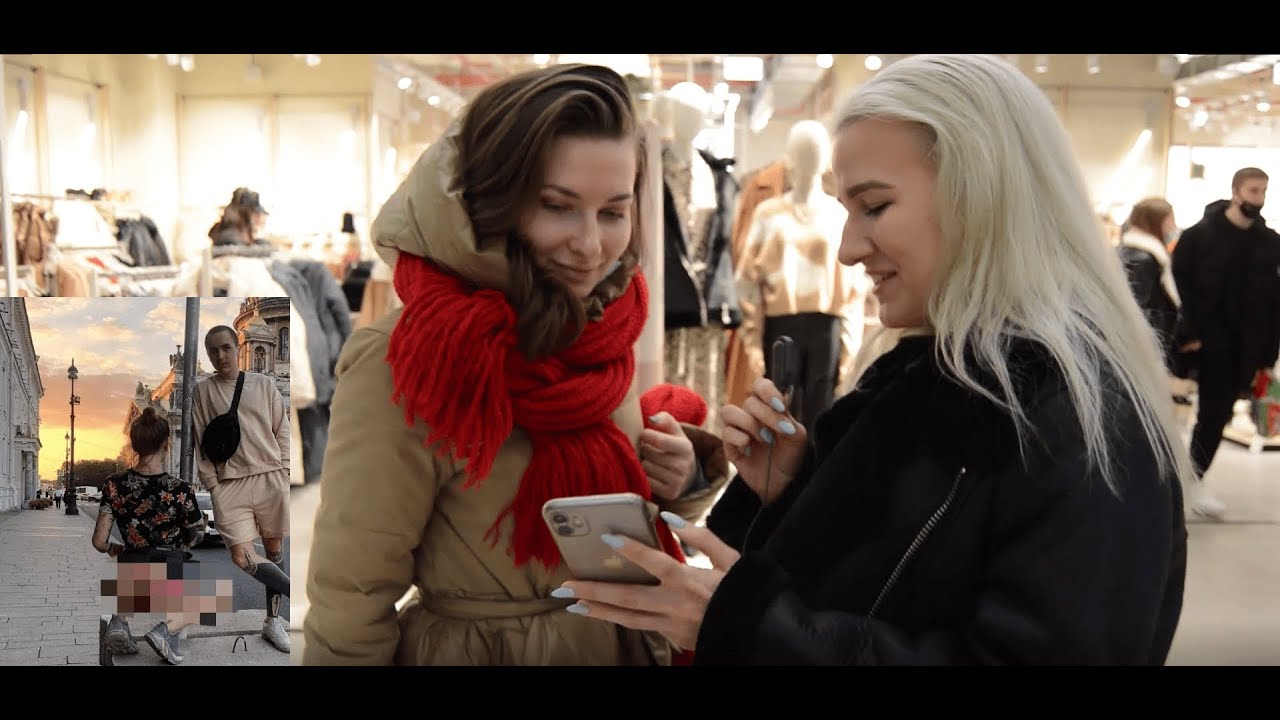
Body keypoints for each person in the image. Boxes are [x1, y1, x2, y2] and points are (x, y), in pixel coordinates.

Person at [557, 54, 1190, 665]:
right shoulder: (933, 380)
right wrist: (798, 491)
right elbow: (894, 586)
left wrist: (751, 627)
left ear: (983, 195)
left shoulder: (1080, 419)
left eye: (875, 207)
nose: (848, 249)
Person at [302, 64, 730, 666]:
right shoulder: (411, 356)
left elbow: (609, 523)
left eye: (613, 212)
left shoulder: (600, 328)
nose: (591, 245)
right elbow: (352, 593)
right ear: (493, 202)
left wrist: (677, 480)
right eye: (558, 206)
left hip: (624, 642)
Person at [1172, 167, 1280, 518]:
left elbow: (1274, 302)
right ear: (1236, 191)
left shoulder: (1270, 243)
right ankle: (1188, 483)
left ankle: (1192, 481)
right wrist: (1188, 334)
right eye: (1253, 190)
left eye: (1263, 191)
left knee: (1217, 415)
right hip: (1207, 344)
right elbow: (1178, 287)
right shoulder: (1199, 237)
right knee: (1211, 413)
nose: (1259, 198)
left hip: (1248, 349)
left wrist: (1268, 355)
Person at [192, 325, 292, 653]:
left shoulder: (264, 384)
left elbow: (282, 429)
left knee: (274, 550)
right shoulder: (202, 391)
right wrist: (213, 486)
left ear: (239, 348)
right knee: (241, 556)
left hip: (270, 477)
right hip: (229, 485)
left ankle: (273, 621)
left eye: (225, 348)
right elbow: (200, 442)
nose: (220, 355)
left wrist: (285, 470)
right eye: (213, 351)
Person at [92, 407, 208, 664]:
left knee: (126, 564)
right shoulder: (181, 489)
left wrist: (113, 549)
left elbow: (99, 542)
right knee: (207, 599)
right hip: (170, 576)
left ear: (134, 444)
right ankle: (165, 632)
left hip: (132, 575)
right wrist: (193, 534)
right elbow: (192, 538)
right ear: (166, 444)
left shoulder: (113, 483)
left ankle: (119, 622)